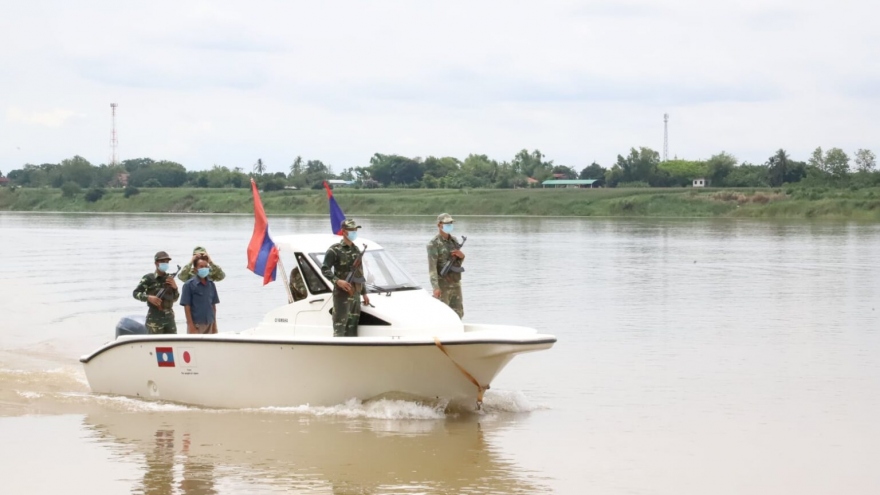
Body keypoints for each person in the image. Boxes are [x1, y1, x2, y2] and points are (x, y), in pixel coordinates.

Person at [321, 219, 371, 337]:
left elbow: (359, 273)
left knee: (352, 329)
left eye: (355, 230)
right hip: (342, 295)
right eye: (351, 230)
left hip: (356, 294)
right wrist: (337, 281)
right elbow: (325, 269)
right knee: (340, 328)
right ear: (343, 232)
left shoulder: (356, 249)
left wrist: (364, 293)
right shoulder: (335, 250)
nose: (354, 232)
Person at [427, 213, 465, 318]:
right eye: (447, 223)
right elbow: (432, 268)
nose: (449, 225)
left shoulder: (454, 241)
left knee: (458, 314)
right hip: (442, 285)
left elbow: (457, 264)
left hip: (455, 284)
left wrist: (461, 257)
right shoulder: (433, 244)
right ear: (439, 225)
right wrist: (435, 287)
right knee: (443, 315)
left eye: (451, 223)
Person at [133, 251, 180, 334]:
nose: (165, 264)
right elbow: (136, 293)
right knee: (154, 344)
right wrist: (148, 298)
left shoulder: (169, 279)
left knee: (172, 343)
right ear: (156, 263)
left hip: (169, 317)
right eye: (162, 262)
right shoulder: (149, 278)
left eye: (167, 262)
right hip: (154, 318)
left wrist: (175, 288)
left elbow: (175, 299)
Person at [180, 257, 220, 334]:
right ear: (195, 269)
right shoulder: (189, 285)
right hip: (196, 325)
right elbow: (187, 308)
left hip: (210, 323)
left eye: (206, 266)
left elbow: (213, 307)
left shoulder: (211, 284)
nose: (204, 268)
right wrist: (191, 326)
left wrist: (215, 326)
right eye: (201, 266)